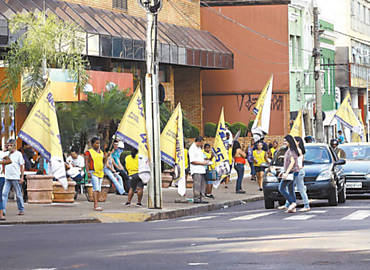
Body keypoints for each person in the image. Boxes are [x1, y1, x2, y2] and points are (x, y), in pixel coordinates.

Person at [2, 139, 25, 216]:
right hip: (7, 177)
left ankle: (21, 209)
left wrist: (22, 176)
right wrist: (5, 150)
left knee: (18, 194)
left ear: (14, 146)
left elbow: (22, 166)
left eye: (10, 145)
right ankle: (3, 210)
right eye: (8, 145)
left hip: (15, 177)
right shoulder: (6, 154)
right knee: (4, 194)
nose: (9, 147)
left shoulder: (18, 154)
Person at [278, 135, 299, 213]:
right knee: (290, 190)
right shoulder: (289, 150)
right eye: (284, 141)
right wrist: (283, 172)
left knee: (281, 188)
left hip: (291, 172)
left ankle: (292, 203)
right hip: (290, 172)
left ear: (290, 141)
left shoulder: (292, 151)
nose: (284, 142)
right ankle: (293, 207)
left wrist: (286, 173)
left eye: (286, 141)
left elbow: (292, 162)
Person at [85, 137, 105, 211]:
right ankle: (95, 206)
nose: (98, 145)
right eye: (96, 143)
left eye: (99, 143)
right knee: (95, 189)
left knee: (99, 190)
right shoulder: (88, 152)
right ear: (92, 144)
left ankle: (97, 204)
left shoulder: (101, 152)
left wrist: (107, 156)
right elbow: (86, 162)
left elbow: (103, 162)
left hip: (100, 172)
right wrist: (87, 172)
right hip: (93, 172)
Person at [189, 136, 209, 204]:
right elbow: (192, 161)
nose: (202, 144)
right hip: (196, 169)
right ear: (198, 142)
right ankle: (196, 198)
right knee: (197, 185)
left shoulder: (199, 148)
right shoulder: (192, 149)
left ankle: (201, 197)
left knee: (202, 184)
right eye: (201, 143)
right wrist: (202, 163)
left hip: (202, 169)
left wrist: (205, 161)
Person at [0, 142, 9, 220]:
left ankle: (1, 214)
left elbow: (9, 161)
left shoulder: (1, 154)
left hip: (1, 177)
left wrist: (1, 162)